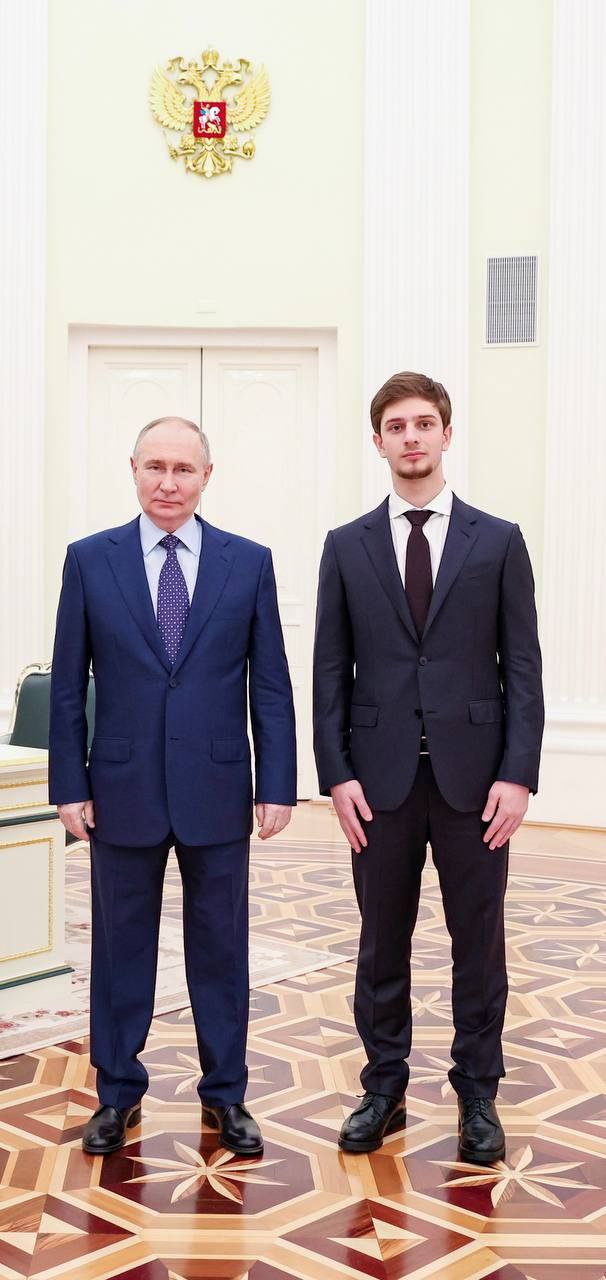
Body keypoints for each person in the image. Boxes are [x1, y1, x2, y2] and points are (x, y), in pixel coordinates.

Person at [49, 416, 296, 1157]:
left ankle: (226, 1095)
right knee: (120, 949)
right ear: (132, 470)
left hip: (217, 789)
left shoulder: (248, 562)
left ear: (206, 477)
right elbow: (68, 686)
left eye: (183, 469)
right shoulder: (89, 560)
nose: (167, 482)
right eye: (154, 466)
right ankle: (116, 1094)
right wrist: (69, 784)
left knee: (221, 949)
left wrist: (277, 783)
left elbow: (271, 684)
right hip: (119, 788)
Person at [313, 372, 543, 1164]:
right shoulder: (346, 546)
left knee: (478, 942)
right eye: (396, 426)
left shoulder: (498, 540)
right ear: (377, 442)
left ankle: (478, 1092)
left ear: (446, 434)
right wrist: (336, 773)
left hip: (477, 785)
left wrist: (518, 773)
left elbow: (523, 666)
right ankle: (383, 1087)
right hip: (376, 785)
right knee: (381, 942)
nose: (410, 437)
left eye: (423, 423)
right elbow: (329, 669)